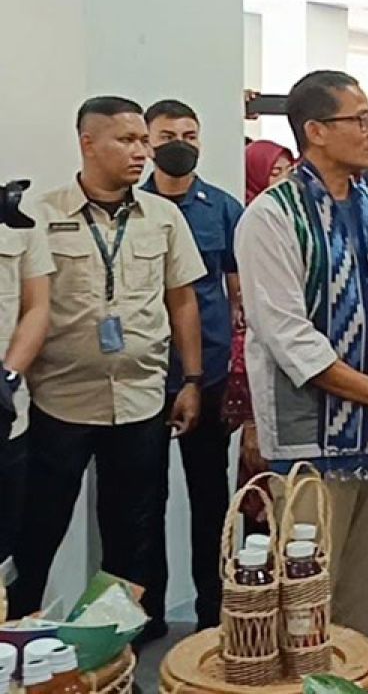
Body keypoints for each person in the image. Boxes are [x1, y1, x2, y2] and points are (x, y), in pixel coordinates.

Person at [234, 71, 368, 638]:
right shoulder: (271, 218)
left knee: (361, 606)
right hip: (310, 447)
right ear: (316, 131)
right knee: (303, 611)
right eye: (358, 120)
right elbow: (290, 340)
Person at [9, 97, 206, 640]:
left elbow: (182, 300)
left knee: (132, 541)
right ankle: (18, 648)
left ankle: (114, 652)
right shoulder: (43, 216)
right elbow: (29, 305)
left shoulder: (163, 217)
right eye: (127, 140)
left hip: (141, 402)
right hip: (60, 401)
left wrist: (190, 381)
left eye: (144, 140)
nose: (142, 151)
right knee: (37, 533)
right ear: (87, 142)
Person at [140, 98, 244, 632]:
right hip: (146, 378)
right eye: (166, 134)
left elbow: (238, 293)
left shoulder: (224, 209)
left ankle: (213, 614)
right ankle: (147, 612)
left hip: (210, 375)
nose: (179, 142)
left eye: (190, 132)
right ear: (148, 140)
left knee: (210, 500)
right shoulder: (134, 211)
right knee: (143, 502)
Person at [228, 141, 297, 527]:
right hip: (248, 391)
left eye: (288, 169)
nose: (284, 180)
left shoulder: (291, 224)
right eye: (274, 171)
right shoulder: (252, 223)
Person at [0, 219, 53, 593]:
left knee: (5, 546)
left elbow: (36, 307)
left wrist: (9, 375)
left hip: (6, 416)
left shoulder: (20, 220)